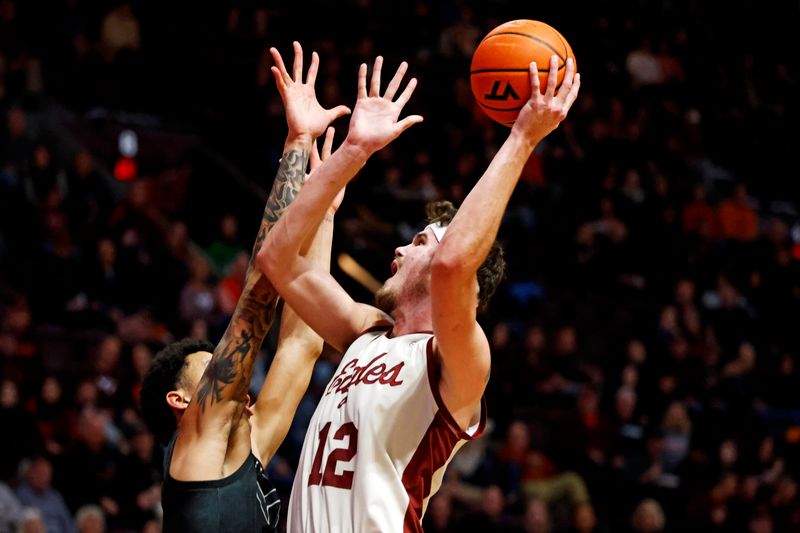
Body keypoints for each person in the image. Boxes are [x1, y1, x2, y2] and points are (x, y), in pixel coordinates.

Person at [258, 47, 580, 531]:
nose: (400, 249)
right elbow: (276, 259)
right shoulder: (365, 332)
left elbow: (452, 265)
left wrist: (522, 136)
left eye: (419, 241)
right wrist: (350, 153)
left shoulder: (460, 361)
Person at [139, 42, 349, 532]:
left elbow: (302, 342)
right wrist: (297, 143)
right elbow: (258, 295)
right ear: (181, 401)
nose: (227, 369)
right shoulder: (195, 444)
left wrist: (320, 212)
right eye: (212, 367)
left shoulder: (247, 447)